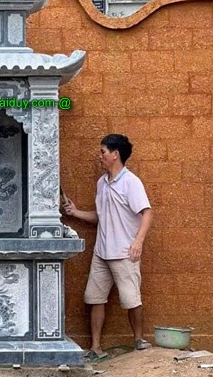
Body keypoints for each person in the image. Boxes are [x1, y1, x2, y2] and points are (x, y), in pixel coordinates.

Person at [62, 134, 152, 361]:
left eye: (103, 152)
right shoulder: (102, 183)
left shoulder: (131, 182)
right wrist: (75, 213)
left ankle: (139, 340)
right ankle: (96, 348)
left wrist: (138, 242)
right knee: (94, 298)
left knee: (131, 299)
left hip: (124, 252)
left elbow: (147, 213)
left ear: (115, 154)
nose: (99, 156)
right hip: (101, 252)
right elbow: (100, 216)